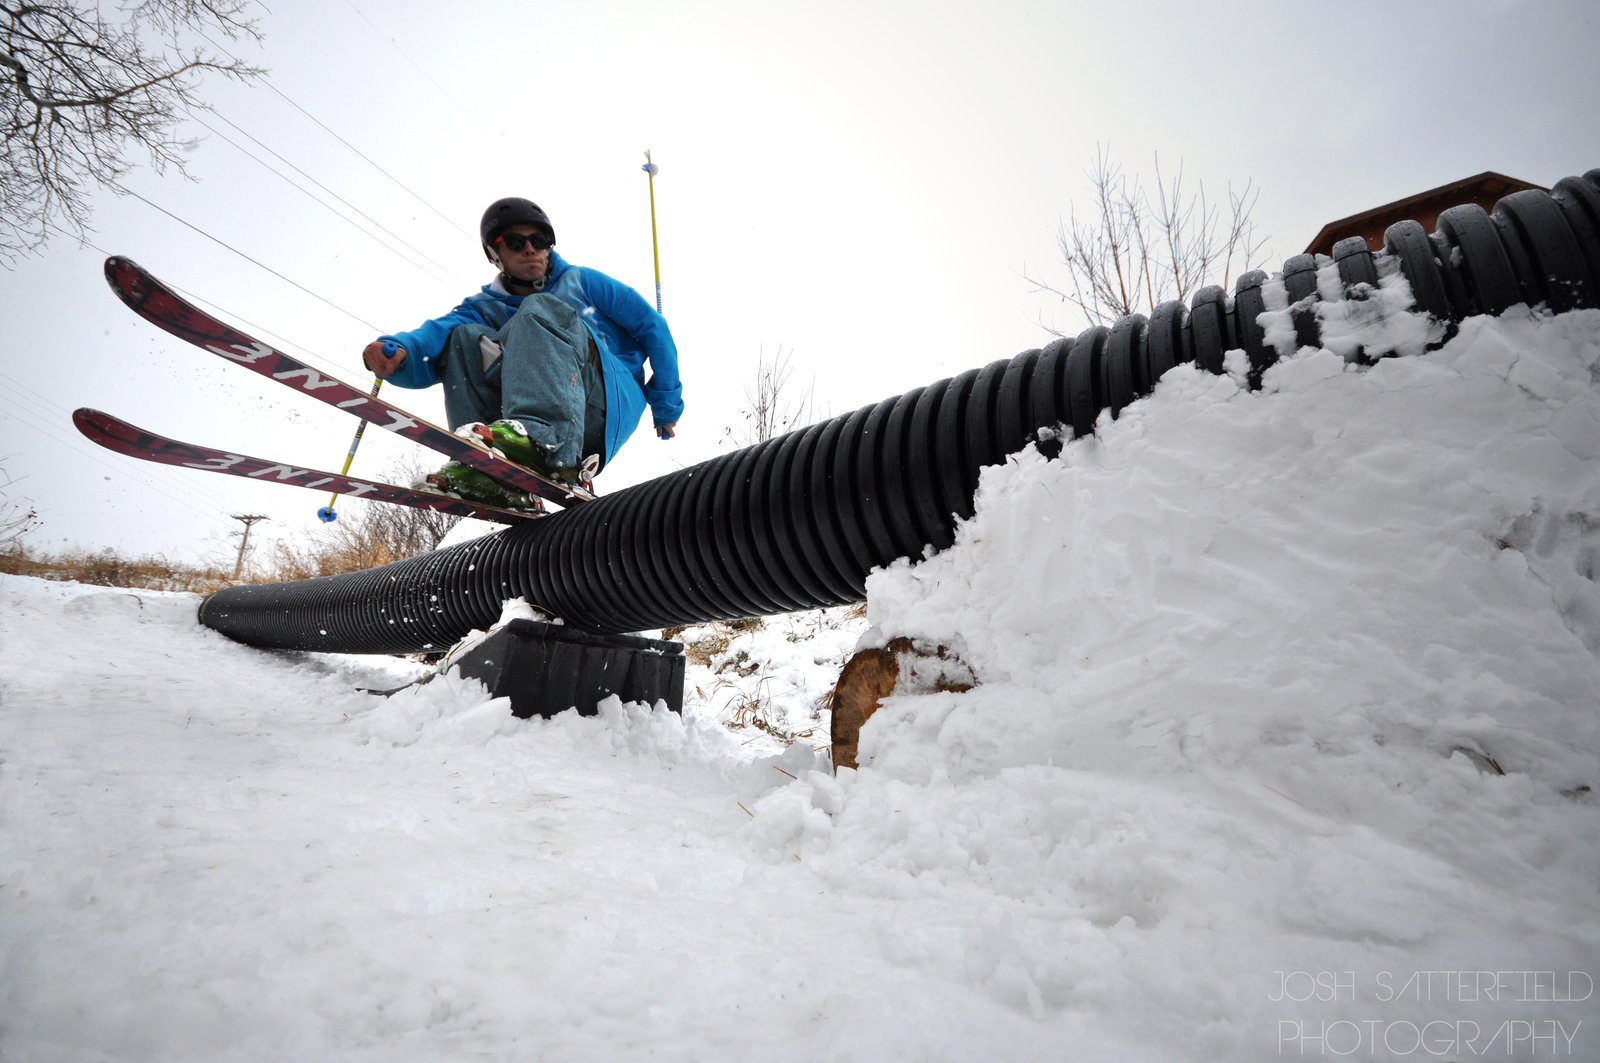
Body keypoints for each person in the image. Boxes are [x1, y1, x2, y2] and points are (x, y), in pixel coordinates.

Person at [362, 197, 683, 507]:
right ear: (495, 253)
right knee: (463, 338)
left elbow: (652, 327)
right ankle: (489, 470)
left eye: (540, 240)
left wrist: (666, 405)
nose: (530, 249)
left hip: (607, 400)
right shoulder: (486, 306)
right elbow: (435, 337)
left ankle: (546, 442)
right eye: (515, 242)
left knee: (540, 309)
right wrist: (400, 351)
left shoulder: (582, 282)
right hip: (541, 399)